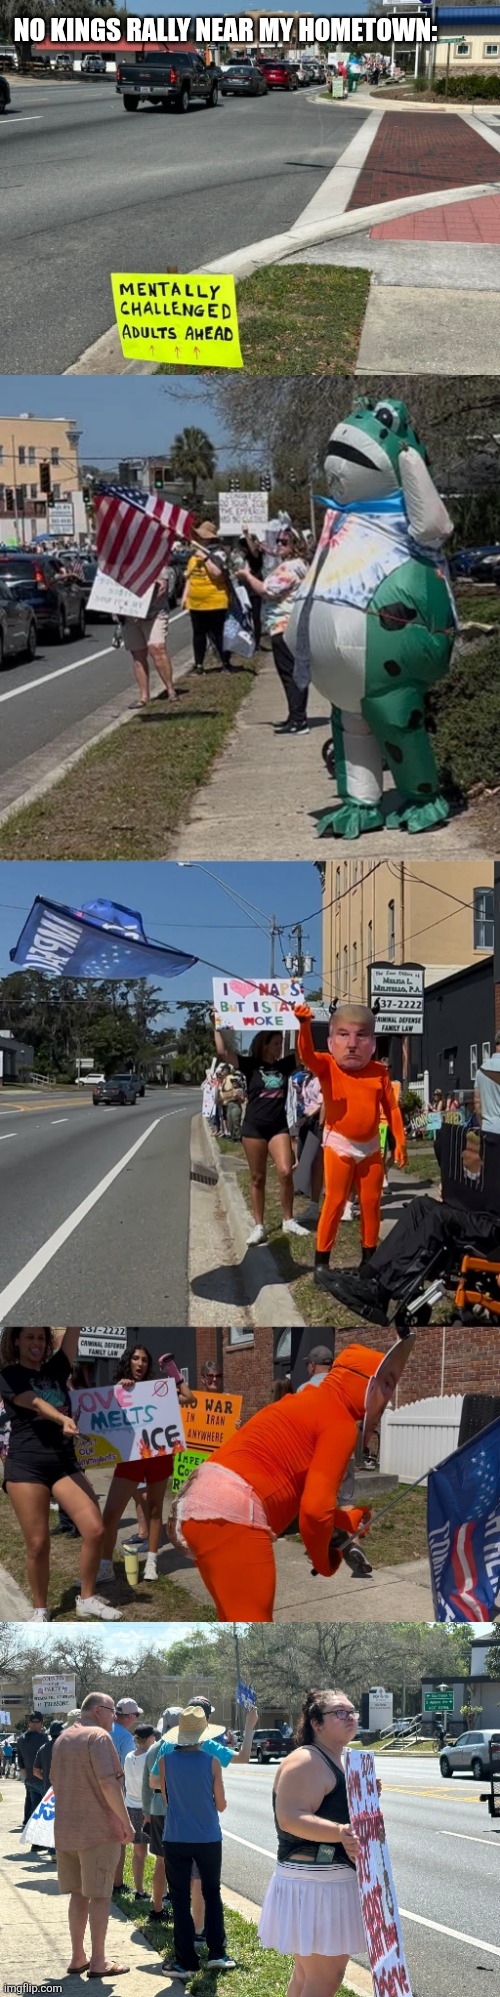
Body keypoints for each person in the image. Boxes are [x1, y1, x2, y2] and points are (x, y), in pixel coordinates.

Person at [167, 1341, 411, 1620]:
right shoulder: (341, 1422)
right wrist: (324, 1562)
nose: (389, 1398)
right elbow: (314, 1513)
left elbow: (298, 1491)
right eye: (387, 1383)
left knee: (233, 1620)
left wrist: (346, 1520)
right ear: (365, 1383)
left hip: (198, 1502)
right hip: (233, 1512)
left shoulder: (304, 1400)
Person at [0, 1325, 119, 1623]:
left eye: (41, 1337)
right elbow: (35, 1402)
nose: (36, 1343)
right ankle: (40, 1610)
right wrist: (61, 1417)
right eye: (29, 1337)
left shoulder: (56, 1367)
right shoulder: (9, 1375)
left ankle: (87, 1598)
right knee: (38, 1544)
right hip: (26, 1465)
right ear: (16, 1341)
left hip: (64, 1462)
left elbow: (73, 1336)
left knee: (95, 1529)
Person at [259, 1689, 371, 1997]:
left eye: (352, 1711)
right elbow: (291, 1817)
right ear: (316, 1724)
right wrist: (341, 1832)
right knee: (324, 1980)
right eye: (339, 1712)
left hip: (318, 1884)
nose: (350, 1717)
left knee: (307, 1976)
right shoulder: (308, 1760)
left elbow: (331, 1810)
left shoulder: (333, 1759)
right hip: (317, 1886)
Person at [294, 1004, 406, 1283]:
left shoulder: (379, 1072)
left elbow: (391, 1108)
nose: (352, 1044)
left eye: (361, 1035)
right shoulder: (328, 1066)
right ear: (331, 1042)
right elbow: (306, 1054)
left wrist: (400, 1141)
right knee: (334, 1201)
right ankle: (321, 1264)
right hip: (339, 1144)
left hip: (370, 1147)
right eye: (343, 1035)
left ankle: (369, 1261)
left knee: (371, 1203)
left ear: (373, 1042)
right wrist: (304, 1026)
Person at [152, 1694, 258, 1945]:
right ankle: (201, 1932)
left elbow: (154, 1782)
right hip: (204, 1829)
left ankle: (183, 1942)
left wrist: (179, 1793)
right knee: (202, 1882)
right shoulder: (208, 1747)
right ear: (207, 1720)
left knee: (178, 1886)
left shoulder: (168, 1747)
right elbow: (242, 1759)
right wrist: (250, 1727)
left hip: (175, 1826)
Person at [51, 1691, 135, 1978]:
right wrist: (126, 1822)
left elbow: (53, 1781)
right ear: (99, 1710)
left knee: (78, 1895)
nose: (116, 1717)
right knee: (99, 1896)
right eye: (113, 1711)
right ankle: (98, 1962)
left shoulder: (62, 1739)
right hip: (98, 1831)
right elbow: (108, 1784)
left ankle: (78, 1957)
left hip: (66, 1831)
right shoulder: (98, 1737)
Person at [97, 1344, 195, 1587]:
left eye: (144, 1360)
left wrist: (174, 1374)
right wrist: (118, 1390)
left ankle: (151, 1562)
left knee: (154, 1510)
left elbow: (189, 1398)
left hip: (158, 1455)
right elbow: (102, 1414)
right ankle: (105, 1566)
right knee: (110, 1514)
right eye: (136, 1359)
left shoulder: (157, 1390)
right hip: (131, 1457)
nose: (140, 1364)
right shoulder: (117, 1388)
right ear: (128, 1361)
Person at [213, 1019, 309, 1248]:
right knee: (258, 1178)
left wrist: (304, 1023)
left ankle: (288, 1219)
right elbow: (223, 1051)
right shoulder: (250, 1065)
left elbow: (306, 1052)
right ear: (265, 1045)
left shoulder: (285, 1065)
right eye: (276, 1043)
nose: (280, 1047)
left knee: (286, 1171)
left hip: (278, 1127)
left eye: (281, 1043)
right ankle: (259, 1226)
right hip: (254, 1128)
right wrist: (216, 1026)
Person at [159, 1705, 236, 1977]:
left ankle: (185, 1962)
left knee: (179, 1899)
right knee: (211, 1894)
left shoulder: (165, 1760)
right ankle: (218, 1954)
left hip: (176, 1837)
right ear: (204, 1733)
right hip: (208, 1837)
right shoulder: (212, 1760)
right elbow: (222, 1805)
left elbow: (167, 1800)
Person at [238, 525, 309, 735]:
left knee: (290, 675)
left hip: (284, 626)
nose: (279, 545)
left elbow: (267, 590)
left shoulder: (289, 568)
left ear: (295, 545)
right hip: (293, 625)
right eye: (277, 541)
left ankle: (299, 720)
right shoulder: (300, 565)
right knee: (295, 674)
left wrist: (247, 576)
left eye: (284, 542)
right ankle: (295, 716)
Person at [122, 565, 178, 709]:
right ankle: (143, 697)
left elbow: (162, 589)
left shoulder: (158, 563)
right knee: (138, 654)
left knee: (157, 648)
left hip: (154, 614)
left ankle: (170, 690)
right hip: (130, 617)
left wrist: (141, 605)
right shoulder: (120, 565)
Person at [182, 522, 231, 675]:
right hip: (196, 602)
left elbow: (217, 573)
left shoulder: (218, 553)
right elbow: (189, 578)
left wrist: (205, 558)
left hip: (215, 600)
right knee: (198, 634)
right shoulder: (193, 555)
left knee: (218, 633)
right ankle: (199, 665)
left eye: (201, 536)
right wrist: (185, 596)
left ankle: (224, 662)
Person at [123, 1725, 159, 1902]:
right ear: (150, 1738)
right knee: (161, 1855)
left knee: (138, 1853)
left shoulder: (129, 1757)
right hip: (149, 1809)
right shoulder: (151, 1756)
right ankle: (163, 1893)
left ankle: (139, 1890)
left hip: (131, 1807)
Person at [17, 1713, 51, 1835]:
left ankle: (27, 1822)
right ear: (42, 1723)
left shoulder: (21, 1739)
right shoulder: (44, 1738)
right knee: (43, 1805)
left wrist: (27, 1775)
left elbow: (20, 1760)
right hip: (42, 1776)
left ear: (28, 1723)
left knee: (30, 1801)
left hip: (29, 1776)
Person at [474, 1031, 500, 1181]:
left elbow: (477, 1104)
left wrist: (482, 1124)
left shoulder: (481, 1070)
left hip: (489, 1128)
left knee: (491, 1174)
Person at [239, 527, 265, 646]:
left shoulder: (257, 555)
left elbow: (254, 551)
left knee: (255, 616)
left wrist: (246, 534)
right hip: (242, 588)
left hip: (254, 589)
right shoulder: (241, 556)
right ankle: (245, 640)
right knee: (244, 615)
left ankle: (257, 642)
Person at [33, 1719, 65, 1796]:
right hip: (66, 1790)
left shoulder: (43, 1748)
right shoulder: (69, 1747)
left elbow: (36, 1771)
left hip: (48, 1790)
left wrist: (46, 1779)